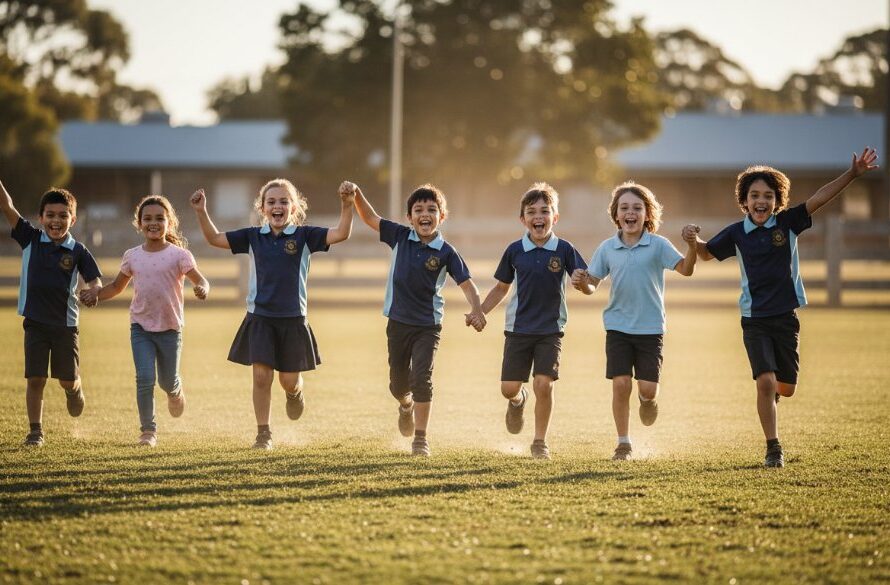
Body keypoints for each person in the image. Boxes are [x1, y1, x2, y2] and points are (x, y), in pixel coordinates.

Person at [689, 147, 879, 468]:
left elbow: (821, 197)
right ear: (744, 201)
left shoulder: (788, 223)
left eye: (767, 195)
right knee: (764, 382)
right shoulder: (737, 232)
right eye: (754, 195)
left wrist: (852, 175)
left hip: (785, 318)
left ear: (777, 201)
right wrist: (693, 241)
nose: (760, 200)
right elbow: (707, 254)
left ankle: (774, 395)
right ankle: (773, 447)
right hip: (753, 320)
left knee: (785, 388)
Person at [190, 178, 354, 450]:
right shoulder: (253, 236)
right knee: (260, 377)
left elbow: (341, 233)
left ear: (294, 207)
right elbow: (214, 238)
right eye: (271, 202)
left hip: (293, 319)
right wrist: (201, 211)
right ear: (262, 208)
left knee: (288, 380)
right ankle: (263, 433)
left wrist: (346, 205)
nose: (277, 206)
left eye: (283, 201)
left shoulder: (305, 236)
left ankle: (295, 393)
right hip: (260, 318)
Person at [352, 183, 485, 457]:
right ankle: (405, 405)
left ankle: (421, 439)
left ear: (442, 216)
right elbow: (369, 217)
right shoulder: (400, 236)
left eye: (432, 210)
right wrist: (355, 193)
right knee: (398, 384)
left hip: (428, 325)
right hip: (398, 322)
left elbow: (468, 284)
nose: (425, 214)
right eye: (419, 210)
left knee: (422, 377)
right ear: (409, 217)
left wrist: (477, 310)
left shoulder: (446, 251)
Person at [571, 182, 698, 461]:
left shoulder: (658, 245)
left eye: (637, 208)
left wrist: (692, 247)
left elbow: (686, 270)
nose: (630, 212)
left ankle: (646, 401)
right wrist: (582, 283)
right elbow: (592, 284)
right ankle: (623, 443)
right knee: (620, 384)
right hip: (617, 326)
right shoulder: (607, 248)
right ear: (616, 214)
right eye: (624, 208)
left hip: (650, 328)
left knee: (648, 388)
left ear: (647, 214)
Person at [80, 195, 209, 447]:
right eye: (147, 218)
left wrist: (203, 288)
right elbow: (117, 287)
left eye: (159, 218)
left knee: (166, 380)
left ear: (169, 223)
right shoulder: (132, 256)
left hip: (170, 329)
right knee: (145, 378)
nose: (153, 223)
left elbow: (201, 280)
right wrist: (96, 294)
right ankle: (148, 431)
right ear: (139, 223)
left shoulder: (180, 255)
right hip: (140, 327)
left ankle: (175, 391)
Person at [479, 182, 587, 460]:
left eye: (544, 211)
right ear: (523, 219)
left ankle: (540, 442)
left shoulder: (564, 249)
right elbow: (501, 288)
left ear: (555, 217)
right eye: (532, 212)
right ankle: (518, 401)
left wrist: (582, 281)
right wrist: (480, 311)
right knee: (508, 388)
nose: (538, 216)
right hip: (518, 329)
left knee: (544, 383)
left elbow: (585, 282)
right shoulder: (515, 250)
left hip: (550, 330)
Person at [0, 181, 102, 447]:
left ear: (73, 219)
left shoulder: (78, 251)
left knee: (66, 380)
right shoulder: (30, 238)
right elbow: (7, 205)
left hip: (65, 326)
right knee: (36, 378)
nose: (56, 221)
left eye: (62, 215)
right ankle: (35, 431)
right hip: (34, 322)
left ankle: (74, 388)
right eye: (51, 215)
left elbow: (95, 281)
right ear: (41, 217)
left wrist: (93, 292)